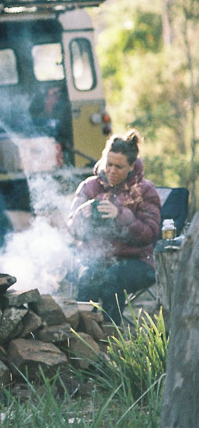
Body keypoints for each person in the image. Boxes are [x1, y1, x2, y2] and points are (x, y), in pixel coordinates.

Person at [67, 129, 161, 325]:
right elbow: (72, 230)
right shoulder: (90, 186)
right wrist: (80, 216)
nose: (111, 170)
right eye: (109, 164)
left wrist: (120, 215)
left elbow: (150, 234)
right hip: (97, 257)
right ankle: (84, 338)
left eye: (119, 166)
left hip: (137, 261)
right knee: (88, 277)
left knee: (112, 279)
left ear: (131, 166)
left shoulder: (145, 190)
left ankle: (112, 339)